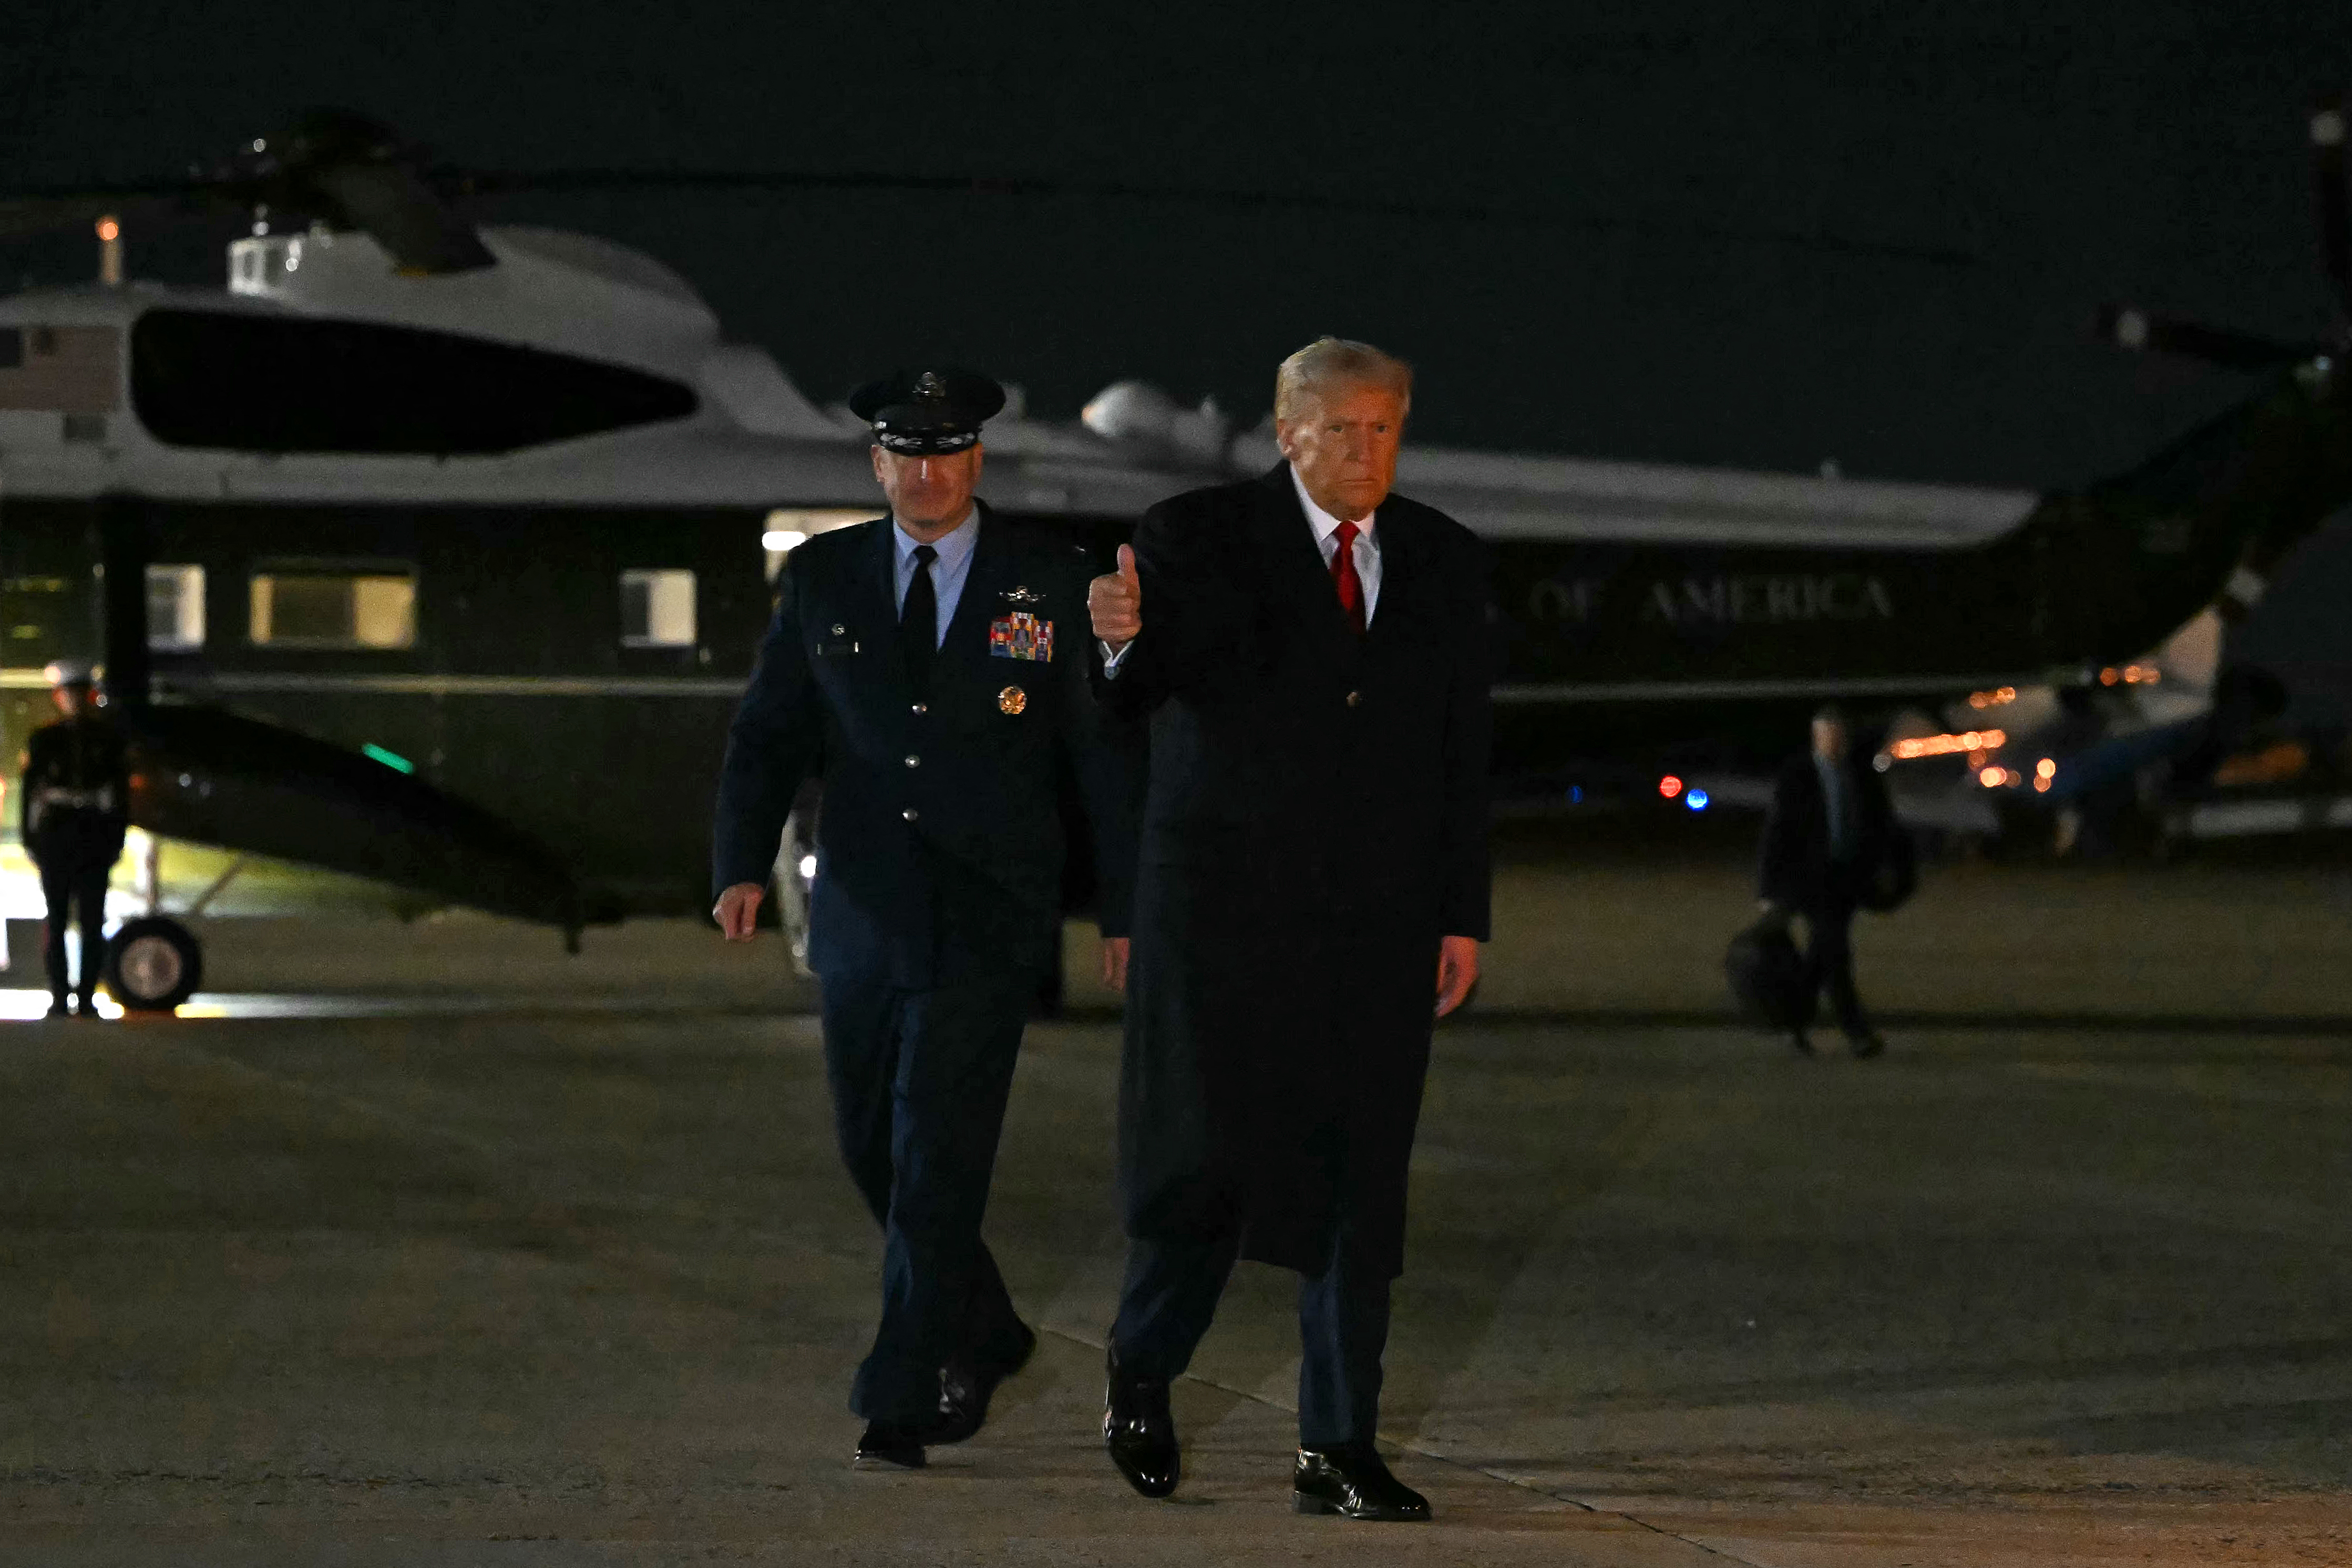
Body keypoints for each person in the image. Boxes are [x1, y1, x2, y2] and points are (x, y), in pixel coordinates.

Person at [1085, 338, 1492, 1523]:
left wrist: (1459, 914)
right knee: (1204, 1161)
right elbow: (1133, 687)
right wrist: (1115, 633)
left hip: (1376, 921)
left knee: (1361, 1188)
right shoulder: (1192, 535)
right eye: (1339, 429)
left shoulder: (1441, 558)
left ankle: (1335, 1443)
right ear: (1284, 431)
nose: (1363, 452)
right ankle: (1143, 1368)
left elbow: (1459, 755)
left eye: (1382, 429)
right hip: (1222, 913)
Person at [711, 367, 1141, 1472]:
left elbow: (1097, 755)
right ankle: (989, 1329)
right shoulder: (822, 577)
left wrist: (1125, 908)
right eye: (904, 454)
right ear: (876, 464)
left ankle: (901, 1388)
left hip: (988, 913)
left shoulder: (1048, 583)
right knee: (870, 1146)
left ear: (975, 461)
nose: (925, 473)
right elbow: (768, 734)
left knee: (937, 1152)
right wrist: (736, 865)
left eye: (946, 452)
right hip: (861, 906)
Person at [1757, 705, 1914, 1057]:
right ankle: (1856, 1032)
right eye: (1827, 734)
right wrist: (1768, 890)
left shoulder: (1859, 774)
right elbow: (1777, 834)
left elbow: (1881, 824)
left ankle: (1794, 1022)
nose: (1834, 741)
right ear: (1816, 737)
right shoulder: (1797, 776)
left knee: (1820, 958)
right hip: (1811, 883)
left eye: (1838, 734)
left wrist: (1887, 868)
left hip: (1848, 880)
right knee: (1835, 952)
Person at [19, 661, 129, 1018]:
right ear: (58, 698)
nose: (76, 702)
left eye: (82, 695)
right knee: (57, 919)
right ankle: (59, 996)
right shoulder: (45, 740)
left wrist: (115, 841)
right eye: (69, 695)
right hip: (57, 836)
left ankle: (85, 997)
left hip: (94, 837)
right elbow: (31, 793)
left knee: (93, 921)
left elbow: (119, 796)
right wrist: (31, 840)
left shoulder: (108, 741)